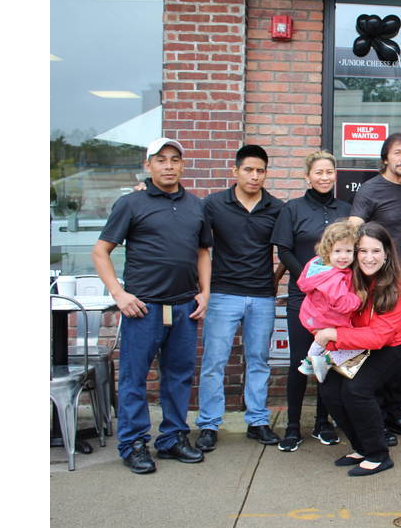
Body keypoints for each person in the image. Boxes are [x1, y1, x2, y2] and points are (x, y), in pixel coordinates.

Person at [91, 137, 212, 474]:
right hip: (143, 308)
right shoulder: (131, 204)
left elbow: (203, 251)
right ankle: (132, 444)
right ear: (148, 166)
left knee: (179, 376)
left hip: (184, 306)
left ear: (183, 165)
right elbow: (100, 251)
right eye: (161, 160)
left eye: (175, 159)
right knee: (134, 378)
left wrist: (205, 293)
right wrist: (119, 294)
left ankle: (172, 438)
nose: (169, 166)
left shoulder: (195, 206)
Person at [194, 144, 283, 452]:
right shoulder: (213, 205)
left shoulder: (276, 207)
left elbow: (284, 249)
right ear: (235, 171)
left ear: (266, 173)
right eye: (248, 169)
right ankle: (208, 424)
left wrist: (275, 280)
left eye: (260, 171)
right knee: (214, 362)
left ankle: (257, 421)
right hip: (223, 294)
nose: (254, 176)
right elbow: (200, 248)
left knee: (259, 361)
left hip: (261, 297)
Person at [316, 223, 401, 476]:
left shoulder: (396, 285)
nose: (369, 258)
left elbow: (379, 336)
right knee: (329, 388)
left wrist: (333, 336)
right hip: (355, 342)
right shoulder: (347, 276)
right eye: (362, 251)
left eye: (375, 251)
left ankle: (379, 454)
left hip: (391, 346)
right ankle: (361, 447)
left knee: (357, 389)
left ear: (386, 254)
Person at [271, 150, 351, 451]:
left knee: (327, 362)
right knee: (298, 362)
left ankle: (323, 422)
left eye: (329, 172)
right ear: (308, 176)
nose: (324, 177)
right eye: (318, 172)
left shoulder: (346, 208)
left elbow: (350, 252)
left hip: (336, 301)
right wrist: (314, 283)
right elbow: (285, 252)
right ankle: (293, 426)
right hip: (302, 298)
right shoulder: (292, 209)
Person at [349, 133, 401, 437]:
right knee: (377, 355)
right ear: (385, 158)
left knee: (400, 354)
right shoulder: (370, 190)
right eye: (397, 153)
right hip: (378, 288)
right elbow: (354, 233)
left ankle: (395, 417)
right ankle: (377, 421)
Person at [295, 221, 366, 381]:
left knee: (321, 341)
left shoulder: (316, 264)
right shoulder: (333, 278)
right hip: (327, 319)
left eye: (348, 251)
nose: (343, 256)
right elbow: (342, 304)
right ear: (328, 251)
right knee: (360, 344)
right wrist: (358, 299)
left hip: (313, 315)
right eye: (338, 251)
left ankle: (309, 361)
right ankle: (320, 361)